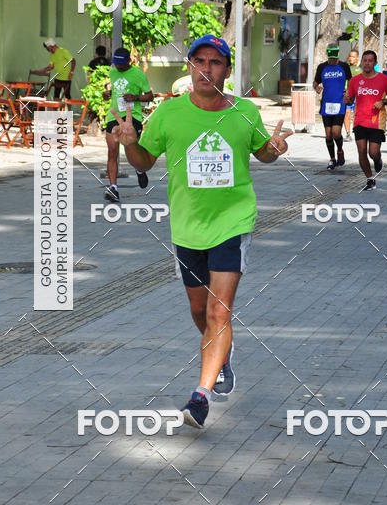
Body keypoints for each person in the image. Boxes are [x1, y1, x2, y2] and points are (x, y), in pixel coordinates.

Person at [109, 34, 291, 428]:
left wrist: (275, 148)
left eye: (215, 62)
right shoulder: (169, 114)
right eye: (199, 61)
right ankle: (221, 353)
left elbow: (263, 153)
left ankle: (200, 396)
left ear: (227, 70)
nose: (206, 69)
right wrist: (128, 144)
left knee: (217, 309)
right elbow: (143, 162)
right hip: (187, 227)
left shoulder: (244, 112)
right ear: (189, 67)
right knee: (199, 311)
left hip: (233, 223)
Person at [103, 47, 154, 203]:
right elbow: (113, 92)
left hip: (133, 117)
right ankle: (113, 188)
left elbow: (150, 96)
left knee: (131, 149)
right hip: (114, 116)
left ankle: (139, 169)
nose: (118, 66)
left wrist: (135, 97)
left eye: (121, 63)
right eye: (116, 63)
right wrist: (106, 94)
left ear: (129, 61)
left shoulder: (138, 74)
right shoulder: (112, 72)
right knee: (112, 152)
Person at [344, 49, 387, 191]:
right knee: (361, 151)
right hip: (360, 121)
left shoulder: (383, 79)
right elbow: (349, 100)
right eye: (365, 60)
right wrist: (346, 100)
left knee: (373, 152)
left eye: (370, 61)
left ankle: (377, 160)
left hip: (377, 122)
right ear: (361, 62)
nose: (367, 63)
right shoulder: (355, 80)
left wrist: (384, 102)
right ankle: (370, 179)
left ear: (374, 63)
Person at [313, 43, 352, 169]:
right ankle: (332, 159)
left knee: (336, 132)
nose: (332, 61)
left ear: (338, 56)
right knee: (328, 134)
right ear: (327, 55)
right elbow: (315, 82)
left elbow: (351, 81)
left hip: (340, 104)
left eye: (334, 59)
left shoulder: (344, 66)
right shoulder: (322, 67)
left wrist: (349, 92)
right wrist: (317, 87)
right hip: (326, 104)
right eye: (330, 58)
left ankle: (340, 150)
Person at [343, 47, 360, 139]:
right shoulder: (345, 68)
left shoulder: (360, 70)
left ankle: (358, 132)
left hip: (358, 95)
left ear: (357, 58)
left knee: (357, 114)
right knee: (347, 113)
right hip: (348, 94)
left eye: (353, 57)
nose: (351, 58)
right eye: (350, 56)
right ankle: (348, 133)